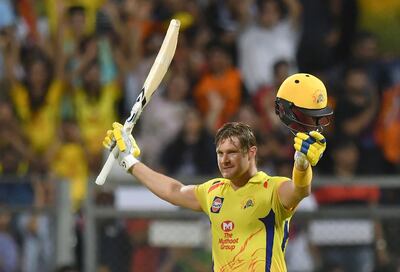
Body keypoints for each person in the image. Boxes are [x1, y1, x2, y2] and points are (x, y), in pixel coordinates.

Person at [102, 73, 332, 271]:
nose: (224, 160)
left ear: (251, 153)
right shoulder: (213, 191)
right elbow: (173, 190)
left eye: (232, 152)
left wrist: (301, 164)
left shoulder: (272, 188)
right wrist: (131, 163)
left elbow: (300, 189)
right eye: (220, 153)